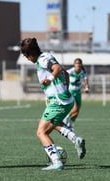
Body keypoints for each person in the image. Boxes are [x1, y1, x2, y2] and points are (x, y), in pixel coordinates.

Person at [20, 38, 86, 170]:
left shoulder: (43, 59)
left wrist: (50, 79)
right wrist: (65, 90)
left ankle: (56, 162)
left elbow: (57, 68)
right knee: (55, 124)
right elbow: (65, 73)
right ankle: (75, 139)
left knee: (41, 132)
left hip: (57, 102)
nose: (27, 58)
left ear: (31, 53)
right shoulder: (47, 56)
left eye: (27, 56)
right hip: (65, 99)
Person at [63, 58, 89, 130]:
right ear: (74, 64)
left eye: (79, 63)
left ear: (81, 64)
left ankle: (70, 125)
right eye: (76, 63)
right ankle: (66, 117)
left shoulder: (83, 72)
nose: (78, 65)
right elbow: (64, 74)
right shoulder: (71, 71)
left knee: (77, 111)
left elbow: (86, 80)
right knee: (75, 107)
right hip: (71, 92)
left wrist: (86, 88)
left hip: (78, 92)